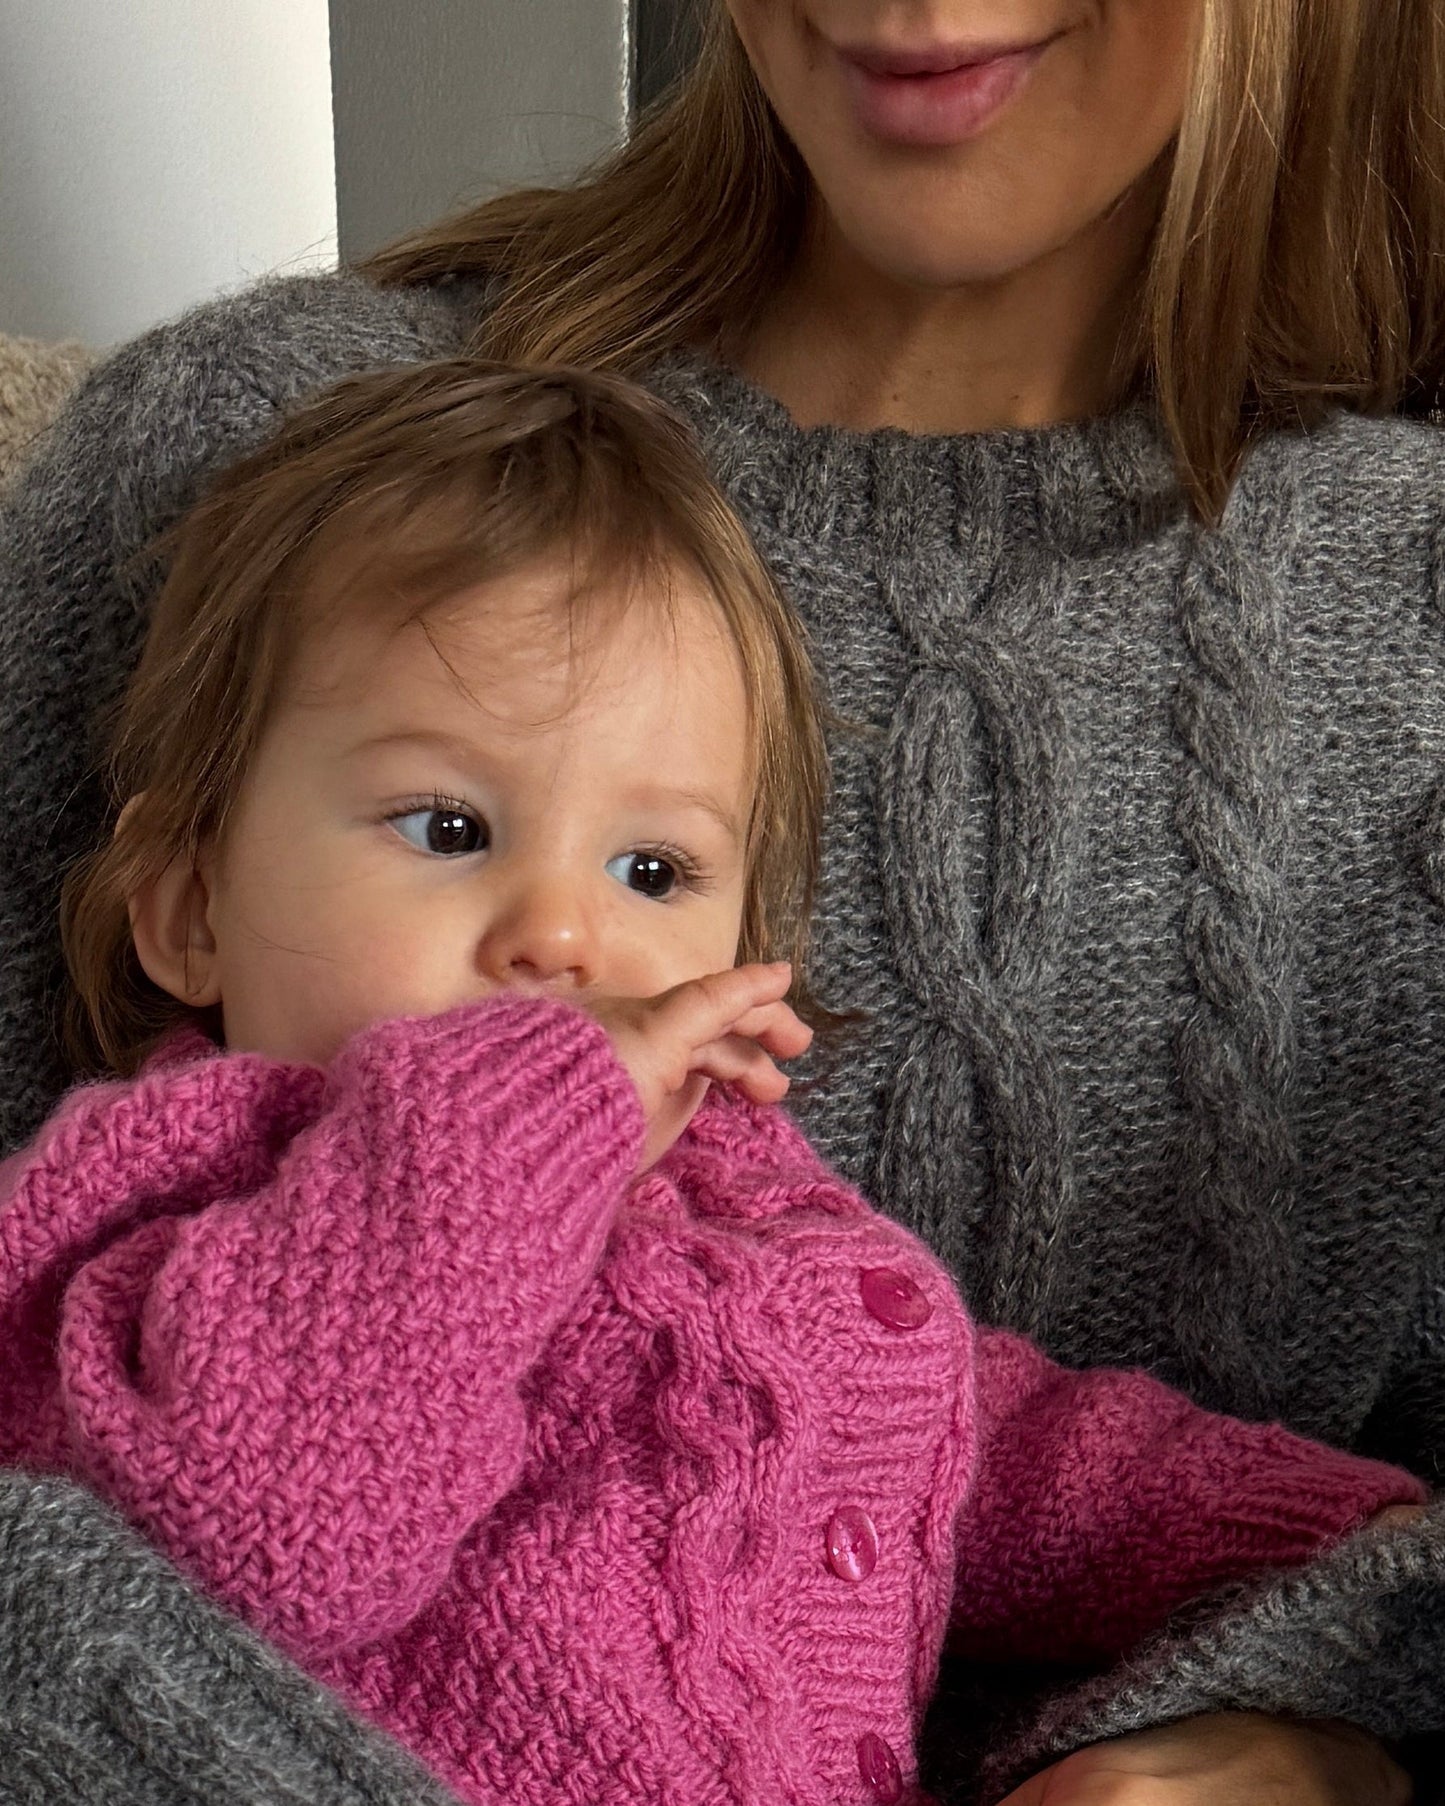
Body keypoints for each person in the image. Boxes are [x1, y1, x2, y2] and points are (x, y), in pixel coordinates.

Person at [3, 3, 1445, 1802]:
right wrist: (522, 1120)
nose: (561, 935)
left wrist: (1341, 1660)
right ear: (180, 910)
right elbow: (232, 1539)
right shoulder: (179, 1224)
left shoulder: (774, 1250)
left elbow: (989, 1444)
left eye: (654, 872)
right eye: (443, 825)